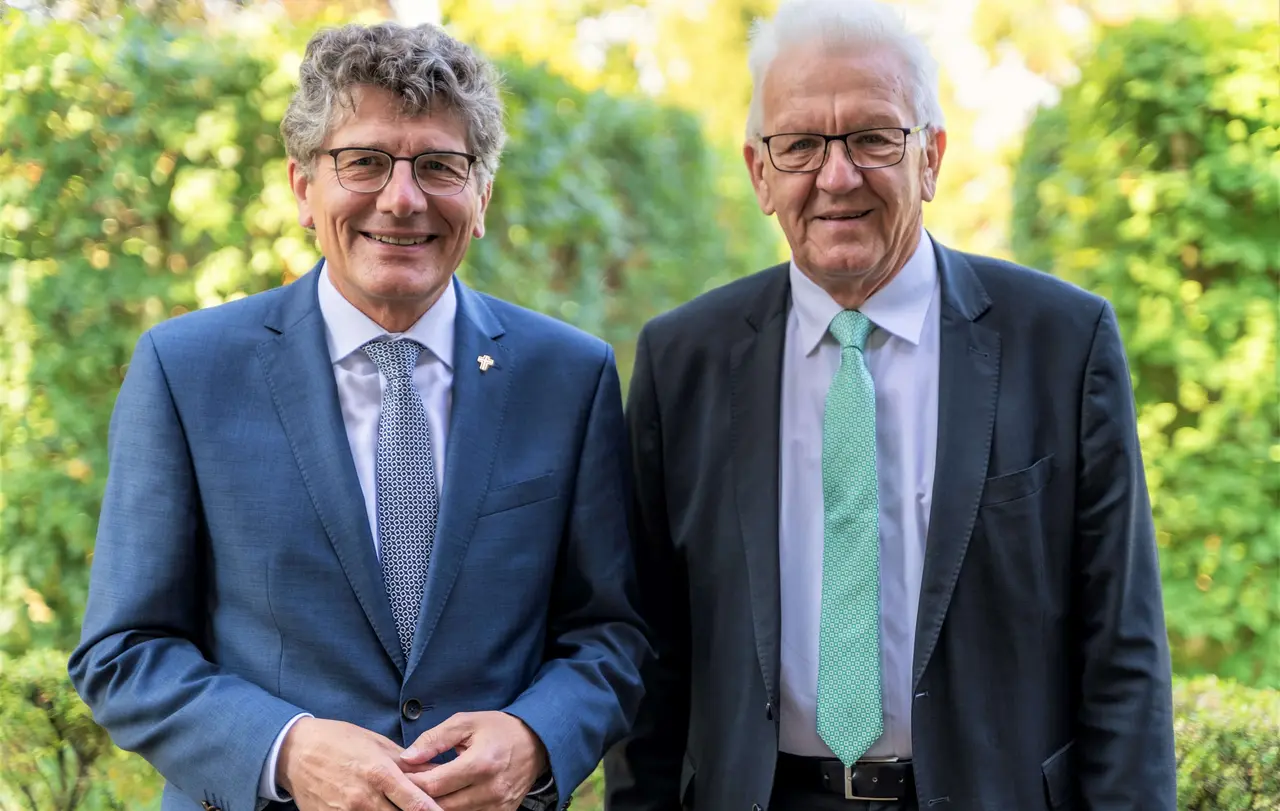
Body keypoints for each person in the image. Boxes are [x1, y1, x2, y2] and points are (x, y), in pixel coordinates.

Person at [603, 1, 1177, 809]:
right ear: (759, 172)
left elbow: (1122, 652)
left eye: (874, 137)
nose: (837, 177)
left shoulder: (1063, 342)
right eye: (800, 144)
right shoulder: (681, 360)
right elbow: (652, 655)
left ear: (931, 157)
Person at [69, 21, 647, 811]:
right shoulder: (187, 370)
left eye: (439, 165)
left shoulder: (569, 376)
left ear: (481, 195)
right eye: (364, 161)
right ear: (304, 187)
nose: (402, 198)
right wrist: (286, 747)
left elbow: (612, 635)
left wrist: (535, 736)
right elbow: (122, 651)